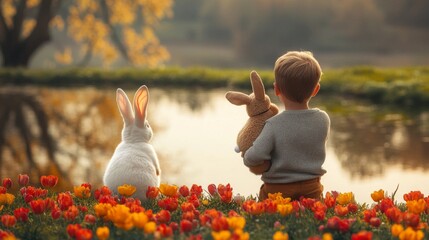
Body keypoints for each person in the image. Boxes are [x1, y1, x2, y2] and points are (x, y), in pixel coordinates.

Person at [243, 51, 330, 201]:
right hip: (312, 188)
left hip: (277, 190)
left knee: (270, 216)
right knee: (309, 216)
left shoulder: (273, 124)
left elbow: (254, 156)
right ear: (316, 89)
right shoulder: (323, 119)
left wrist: (247, 154)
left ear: (277, 90)